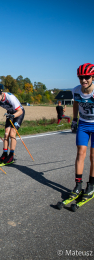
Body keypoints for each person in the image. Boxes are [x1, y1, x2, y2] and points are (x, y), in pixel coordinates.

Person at [70, 63, 94, 201]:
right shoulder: (76, 90)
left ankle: (91, 185)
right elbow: (75, 104)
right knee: (80, 153)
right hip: (83, 124)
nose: (83, 80)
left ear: (92, 76)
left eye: (87, 77)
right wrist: (74, 120)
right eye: (81, 77)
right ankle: (78, 185)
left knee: (93, 156)